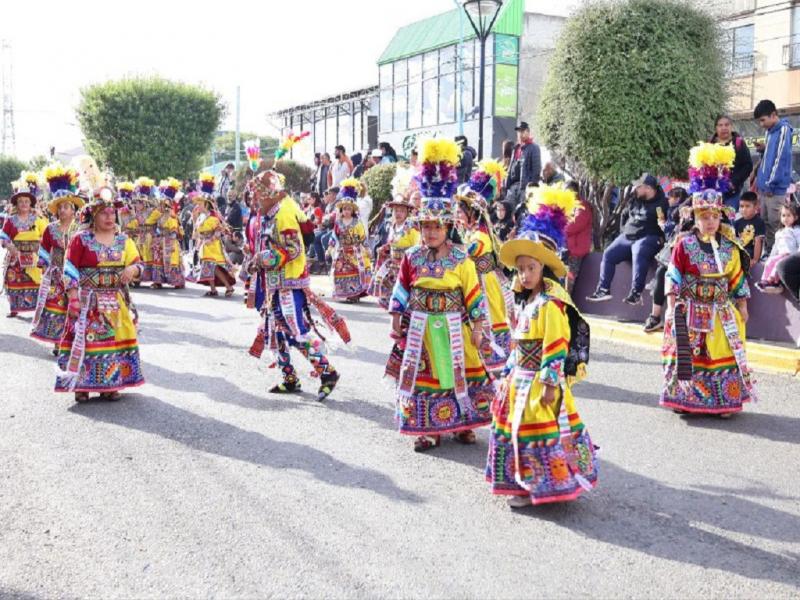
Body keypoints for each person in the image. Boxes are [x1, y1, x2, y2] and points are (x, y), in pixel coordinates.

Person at [488, 183, 597, 508]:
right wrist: (507, 373)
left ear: (544, 268)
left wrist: (550, 383)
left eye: (530, 268)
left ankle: (544, 483)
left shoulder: (550, 304)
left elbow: (556, 345)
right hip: (519, 377)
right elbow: (517, 342)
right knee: (514, 428)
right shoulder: (525, 301)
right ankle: (522, 483)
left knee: (535, 426)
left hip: (539, 382)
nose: (523, 274)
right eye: (520, 269)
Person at [385, 138, 493, 452]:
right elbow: (401, 290)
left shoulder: (462, 260)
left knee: (461, 374)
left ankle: (464, 424)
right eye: (425, 227)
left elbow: (474, 296)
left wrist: (479, 329)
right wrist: (395, 321)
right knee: (427, 377)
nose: (430, 232)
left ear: (448, 227)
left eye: (436, 227)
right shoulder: (412, 257)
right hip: (420, 330)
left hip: (454, 328)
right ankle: (428, 430)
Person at [661, 142, 756, 417]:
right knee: (689, 354)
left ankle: (725, 402)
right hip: (690, 308)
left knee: (721, 353)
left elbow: (737, 279)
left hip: (720, 311)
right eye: (705, 216)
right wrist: (670, 305)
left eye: (715, 216)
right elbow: (673, 274)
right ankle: (685, 400)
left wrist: (743, 306)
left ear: (721, 216)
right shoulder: (684, 245)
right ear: (696, 218)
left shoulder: (730, 247)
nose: (711, 221)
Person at [245, 170, 347, 401]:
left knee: (296, 330)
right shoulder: (272, 213)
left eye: (257, 196)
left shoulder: (283, 215)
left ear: (270, 195)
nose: (254, 201)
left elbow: (294, 250)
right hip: (277, 284)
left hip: (288, 284)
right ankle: (289, 378)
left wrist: (263, 258)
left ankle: (328, 372)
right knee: (276, 331)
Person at [55, 187, 145, 403]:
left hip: (115, 300)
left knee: (114, 342)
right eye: (104, 213)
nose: (109, 216)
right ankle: (81, 386)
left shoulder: (124, 240)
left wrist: (133, 270)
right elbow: (70, 268)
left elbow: (138, 264)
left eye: (112, 213)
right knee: (86, 340)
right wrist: (74, 296)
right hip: (88, 301)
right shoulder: (81, 239)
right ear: (93, 216)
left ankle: (111, 384)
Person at [455, 160, 513, 375]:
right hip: (476, 283)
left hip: (485, 286)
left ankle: (497, 360)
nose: (458, 213)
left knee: (492, 318)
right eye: (458, 210)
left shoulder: (479, 236)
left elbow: (466, 254)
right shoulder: (471, 233)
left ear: (473, 212)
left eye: (462, 210)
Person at [587, 173, 668, 305]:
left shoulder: (661, 204)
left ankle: (636, 294)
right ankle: (603, 290)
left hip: (648, 237)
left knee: (639, 250)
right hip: (628, 236)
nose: (635, 189)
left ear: (648, 188)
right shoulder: (635, 200)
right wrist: (623, 231)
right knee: (608, 253)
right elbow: (624, 215)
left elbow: (664, 224)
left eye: (638, 187)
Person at [30, 167, 84, 349]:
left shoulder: (82, 229)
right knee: (57, 308)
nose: (62, 210)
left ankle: (75, 342)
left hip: (77, 275)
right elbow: (44, 250)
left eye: (66, 206)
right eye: (59, 207)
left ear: (74, 208)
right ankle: (57, 343)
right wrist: (45, 270)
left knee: (75, 308)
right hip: (56, 275)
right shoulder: (50, 228)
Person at [643, 187, 692, 333]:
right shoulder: (681, 211)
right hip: (676, 252)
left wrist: (690, 232)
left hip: (696, 255)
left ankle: (680, 318)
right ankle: (655, 316)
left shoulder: (709, 211)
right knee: (661, 273)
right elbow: (674, 228)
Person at [1, 174, 48, 317]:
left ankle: (37, 309)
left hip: (33, 257)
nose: (24, 204)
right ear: (16, 204)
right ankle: (14, 308)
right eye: (20, 201)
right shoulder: (10, 220)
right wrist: (11, 248)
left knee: (35, 282)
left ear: (30, 203)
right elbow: (3, 237)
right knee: (13, 280)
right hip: (15, 256)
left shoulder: (38, 219)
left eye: (26, 201)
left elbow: (46, 235)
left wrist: (38, 247)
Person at [754, 99, 794, 250]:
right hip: (765, 189)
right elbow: (772, 155)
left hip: (774, 189)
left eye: (763, 120)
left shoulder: (783, 129)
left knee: (775, 226)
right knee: (764, 224)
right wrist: (764, 148)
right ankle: (768, 255)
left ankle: (775, 258)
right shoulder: (769, 132)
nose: (761, 124)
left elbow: (780, 159)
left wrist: (770, 184)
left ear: (773, 115)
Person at [189, 173, 236, 297]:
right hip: (204, 245)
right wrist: (194, 219)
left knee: (214, 267)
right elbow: (196, 234)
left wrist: (212, 238)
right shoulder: (200, 217)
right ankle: (214, 289)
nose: (197, 205)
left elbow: (220, 230)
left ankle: (228, 286)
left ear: (206, 204)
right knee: (208, 267)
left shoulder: (213, 216)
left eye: (200, 203)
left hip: (213, 245)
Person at [371, 193, 419, 310]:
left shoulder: (411, 228)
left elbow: (417, 246)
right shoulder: (392, 226)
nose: (398, 213)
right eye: (396, 211)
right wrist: (384, 248)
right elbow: (392, 243)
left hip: (405, 264)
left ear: (407, 213)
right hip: (393, 264)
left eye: (402, 211)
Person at [328, 178, 372, 302]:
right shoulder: (338, 222)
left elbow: (362, 237)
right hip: (342, 251)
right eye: (345, 208)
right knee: (340, 270)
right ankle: (343, 292)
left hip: (355, 252)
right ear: (341, 210)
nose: (347, 211)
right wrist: (330, 247)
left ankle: (354, 294)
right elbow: (334, 236)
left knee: (356, 271)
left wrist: (367, 248)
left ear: (353, 211)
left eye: (349, 209)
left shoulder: (357, 223)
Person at [709, 115, 752, 213]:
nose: (724, 128)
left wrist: (734, 182)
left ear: (731, 126)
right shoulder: (710, 144)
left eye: (726, 125)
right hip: (713, 192)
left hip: (732, 193)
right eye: (720, 125)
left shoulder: (738, 143)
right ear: (716, 128)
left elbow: (748, 166)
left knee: (729, 221)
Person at [756, 200, 800, 294]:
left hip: (790, 255)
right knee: (770, 262)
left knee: (778, 264)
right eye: (783, 215)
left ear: (795, 217)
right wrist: (770, 257)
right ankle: (765, 280)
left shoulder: (796, 230)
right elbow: (775, 247)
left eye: (789, 215)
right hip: (781, 254)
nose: (785, 218)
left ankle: (774, 281)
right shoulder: (779, 232)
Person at [563, 180, 593, 294]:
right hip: (567, 249)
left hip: (575, 251)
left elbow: (575, 224)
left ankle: (567, 305)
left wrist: (560, 229)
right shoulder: (569, 206)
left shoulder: (582, 206)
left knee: (569, 279)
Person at [155, 180, 186, 289]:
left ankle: (176, 281)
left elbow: (173, 231)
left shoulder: (172, 217)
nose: (161, 206)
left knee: (172, 259)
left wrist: (170, 241)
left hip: (170, 241)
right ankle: (158, 281)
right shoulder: (161, 216)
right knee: (159, 259)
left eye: (163, 205)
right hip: (162, 240)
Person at [505, 122, 542, 209]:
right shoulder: (516, 148)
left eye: (522, 131)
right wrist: (507, 184)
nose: (520, 134)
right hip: (512, 187)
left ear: (528, 132)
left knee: (522, 212)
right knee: (509, 210)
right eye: (518, 132)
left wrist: (531, 189)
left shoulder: (534, 148)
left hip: (525, 188)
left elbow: (536, 170)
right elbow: (510, 168)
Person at [734, 191, 766, 264]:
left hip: (750, 254)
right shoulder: (737, 222)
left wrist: (755, 260)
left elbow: (758, 242)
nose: (744, 209)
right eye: (741, 206)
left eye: (747, 206)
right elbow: (735, 241)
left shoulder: (759, 222)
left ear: (756, 207)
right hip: (739, 252)